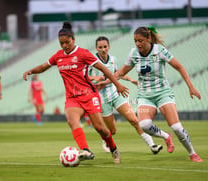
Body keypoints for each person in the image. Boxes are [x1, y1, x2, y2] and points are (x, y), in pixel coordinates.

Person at [23, 22, 129, 164]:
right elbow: (43, 67)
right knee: (72, 121)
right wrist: (30, 71)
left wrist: (118, 85)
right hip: (72, 98)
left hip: (89, 95)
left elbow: (104, 69)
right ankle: (85, 150)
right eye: (61, 43)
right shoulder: (58, 56)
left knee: (100, 128)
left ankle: (113, 149)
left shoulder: (83, 53)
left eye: (67, 42)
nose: (65, 46)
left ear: (73, 39)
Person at [114, 26, 202, 162]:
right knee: (143, 125)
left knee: (176, 127)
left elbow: (179, 67)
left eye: (140, 40)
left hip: (163, 93)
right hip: (145, 96)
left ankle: (192, 153)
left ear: (148, 39)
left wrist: (191, 87)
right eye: (135, 41)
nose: (137, 44)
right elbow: (120, 73)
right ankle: (166, 137)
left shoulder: (159, 50)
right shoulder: (133, 53)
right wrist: (106, 81)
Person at [89, 36, 162, 154]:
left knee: (134, 120)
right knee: (112, 130)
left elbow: (118, 74)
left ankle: (152, 145)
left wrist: (131, 80)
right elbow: (82, 77)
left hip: (115, 93)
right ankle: (106, 139)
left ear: (109, 46)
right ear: (96, 48)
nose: (103, 49)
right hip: (102, 98)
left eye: (105, 46)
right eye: (100, 47)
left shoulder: (113, 59)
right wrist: (94, 78)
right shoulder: (91, 61)